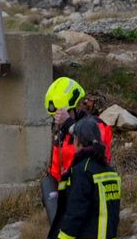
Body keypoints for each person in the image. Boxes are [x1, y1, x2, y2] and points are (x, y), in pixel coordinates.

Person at [48, 117, 122, 239]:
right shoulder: (109, 170)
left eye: (73, 141)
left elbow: (75, 215)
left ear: (79, 141)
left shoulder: (82, 170)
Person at [41, 77, 113, 224]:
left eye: (61, 114)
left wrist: (69, 124)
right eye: (54, 116)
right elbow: (56, 174)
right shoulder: (61, 136)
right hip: (69, 208)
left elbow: (97, 150)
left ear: (74, 107)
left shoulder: (98, 126)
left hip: (93, 203)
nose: (57, 119)